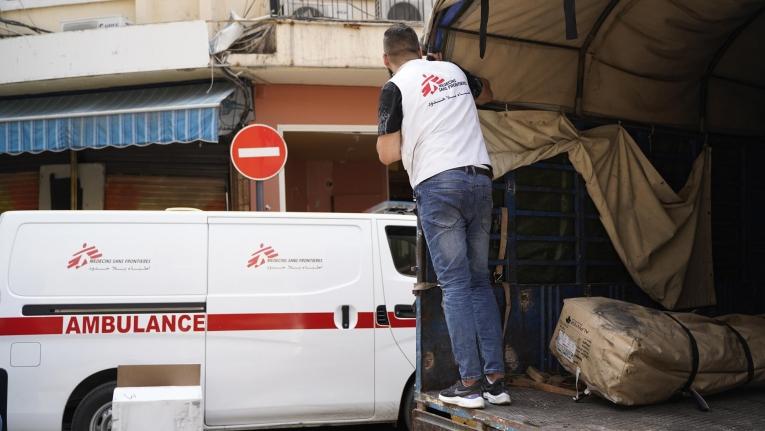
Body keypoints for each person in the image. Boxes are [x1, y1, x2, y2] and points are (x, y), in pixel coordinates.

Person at [376, 23, 510, 409]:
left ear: (387, 59)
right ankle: (495, 382)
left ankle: (468, 384)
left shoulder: (394, 86)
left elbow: (387, 154)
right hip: (480, 179)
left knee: (453, 286)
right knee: (478, 282)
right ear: (420, 50)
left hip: (439, 184)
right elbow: (488, 92)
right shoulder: (452, 70)